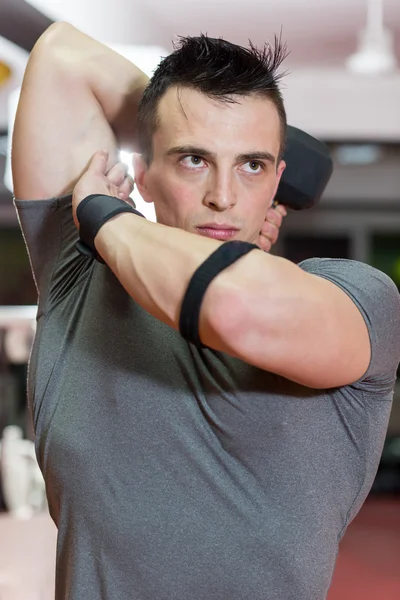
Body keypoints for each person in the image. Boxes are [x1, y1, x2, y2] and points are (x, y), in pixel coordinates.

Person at [12, 22, 400, 600]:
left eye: (252, 165)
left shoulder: (357, 297)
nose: (224, 195)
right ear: (143, 172)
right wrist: (174, 117)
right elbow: (61, 58)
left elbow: (235, 309)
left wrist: (106, 217)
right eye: (193, 160)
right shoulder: (80, 277)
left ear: (276, 183)